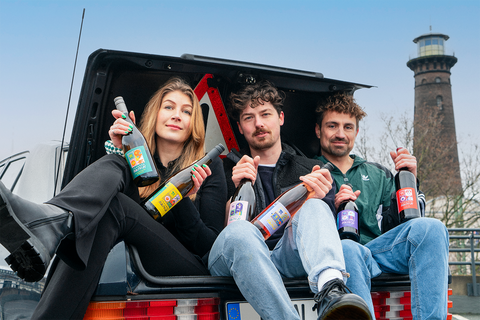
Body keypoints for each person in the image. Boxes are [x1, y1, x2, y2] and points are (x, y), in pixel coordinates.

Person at [0, 77, 227, 319]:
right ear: (154, 115)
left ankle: (51, 227)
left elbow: (209, 248)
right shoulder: (136, 157)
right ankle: (56, 224)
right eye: (169, 107)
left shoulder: (208, 171)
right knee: (108, 201)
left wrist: (182, 199)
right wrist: (123, 151)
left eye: (186, 111)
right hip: (132, 256)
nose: (177, 115)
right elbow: (124, 216)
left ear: (195, 124)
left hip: (185, 267)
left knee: (112, 210)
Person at [207, 81, 372, 320]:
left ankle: (331, 290)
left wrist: (318, 200)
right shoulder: (222, 169)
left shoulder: (310, 168)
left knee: (315, 205)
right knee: (240, 232)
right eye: (249, 118)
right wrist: (235, 191)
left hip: (287, 257)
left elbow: (325, 233)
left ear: (281, 118)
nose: (259, 123)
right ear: (240, 127)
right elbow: (216, 233)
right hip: (235, 260)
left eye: (265, 114)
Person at [314, 93, 449, 320]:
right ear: (318, 131)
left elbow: (405, 224)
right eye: (332, 126)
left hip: (380, 251)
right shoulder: (309, 170)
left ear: (356, 132)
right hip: (339, 255)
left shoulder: (378, 173)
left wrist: (412, 182)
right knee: (348, 248)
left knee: (432, 228)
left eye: (348, 127)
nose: (340, 134)